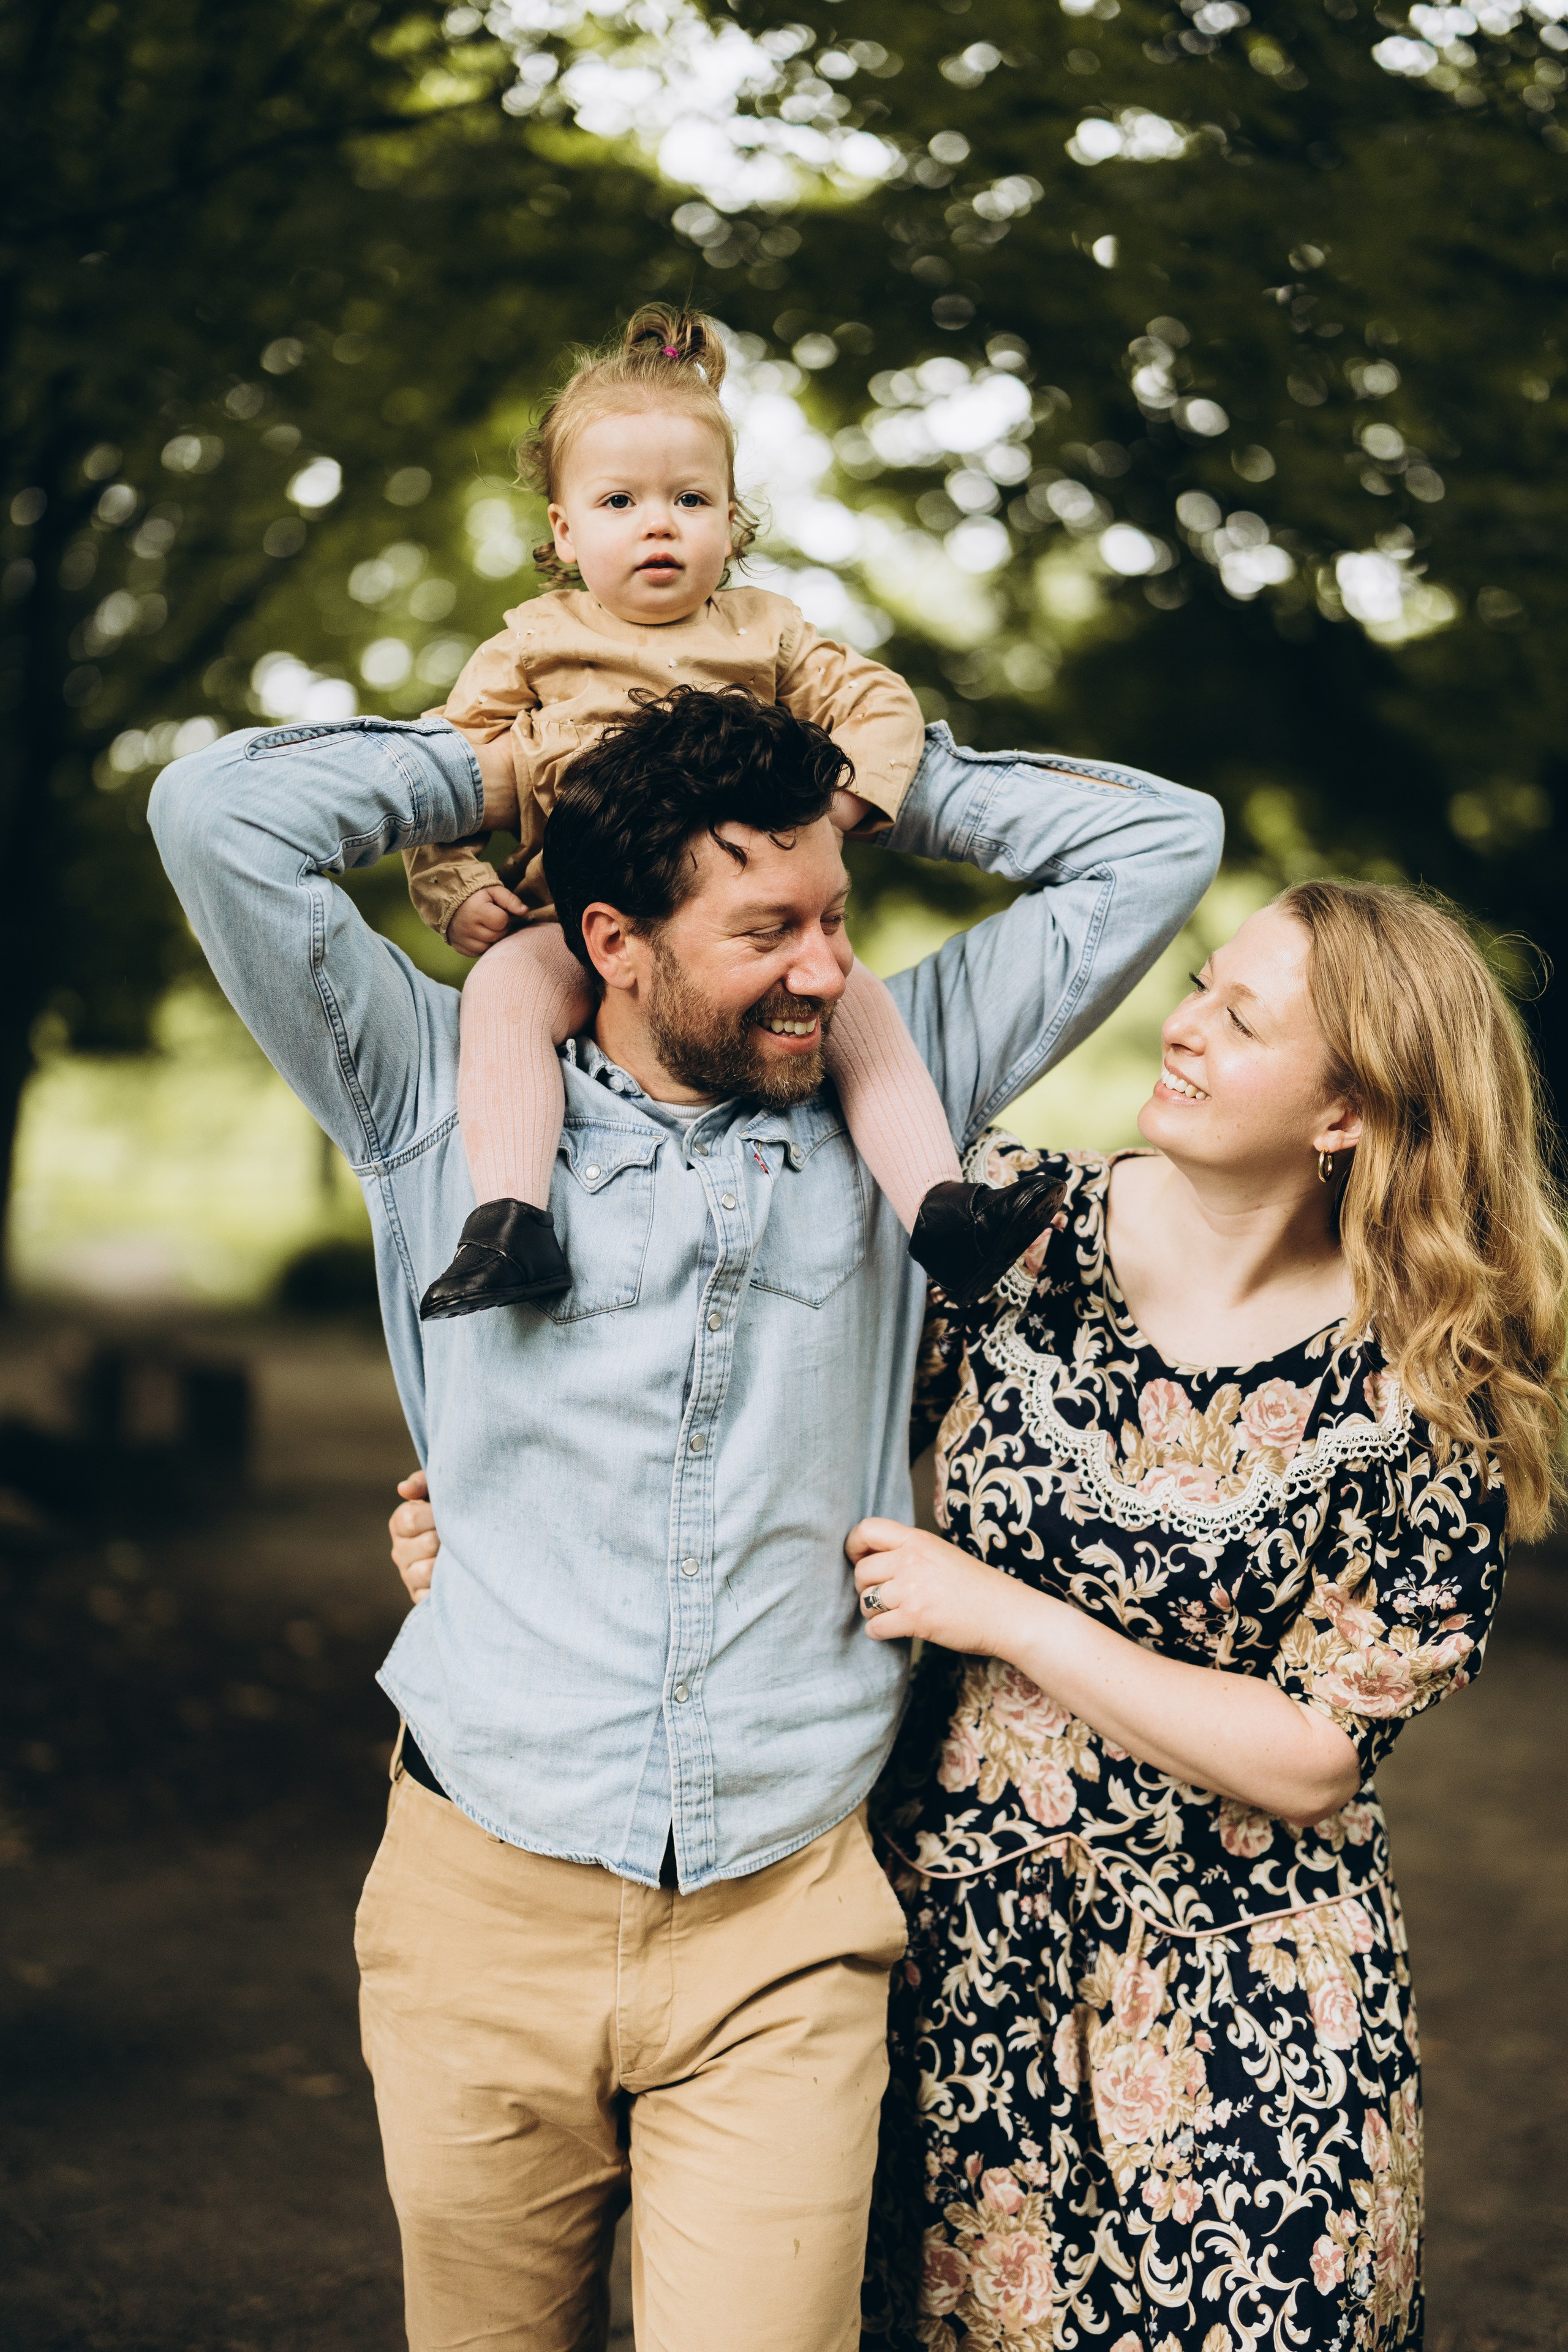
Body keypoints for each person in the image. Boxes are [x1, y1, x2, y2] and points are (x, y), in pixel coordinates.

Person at [151, 681, 1218, 2350]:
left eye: (836, 922)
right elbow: (220, 819)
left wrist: (896, 776)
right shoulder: (437, 1096)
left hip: (783, 1922)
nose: (823, 969)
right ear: (613, 941)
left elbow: (1162, 841)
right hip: (479, 1900)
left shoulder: (898, 1080)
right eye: (765, 929)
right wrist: (501, 764)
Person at [834, 881, 1567, 2351]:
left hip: (1253, 1992)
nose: (1179, 1027)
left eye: (1240, 1020)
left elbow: (1309, 1757)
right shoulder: (1007, 1229)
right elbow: (764, 1412)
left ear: (1345, 1113)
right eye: (1199, 984)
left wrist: (1007, 1617)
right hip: (955, 1958)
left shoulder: (1429, 1374)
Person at [403, 302, 1062, 1320]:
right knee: (500, 998)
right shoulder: (531, 643)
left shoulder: (766, 630)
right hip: (568, 920)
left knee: (861, 1010)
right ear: (566, 531)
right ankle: (510, 1221)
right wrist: (454, 888)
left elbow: (878, 702)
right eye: (620, 501)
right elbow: (437, 779)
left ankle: (944, 1213)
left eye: (691, 498)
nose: (658, 522)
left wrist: (841, 806)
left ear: (732, 521)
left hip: (735, 918)